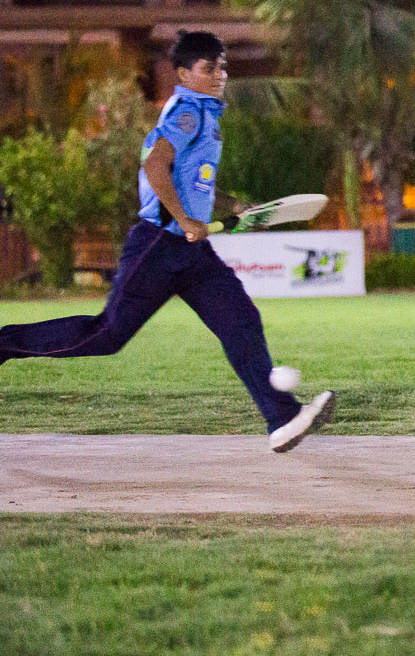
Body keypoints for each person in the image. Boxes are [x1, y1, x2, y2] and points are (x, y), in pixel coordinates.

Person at [0, 31, 336, 451]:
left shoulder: (207, 116)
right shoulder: (187, 113)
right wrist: (184, 219)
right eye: (209, 68)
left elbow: (195, 182)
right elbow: (155, 165)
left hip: (193, 254)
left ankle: (282, 418)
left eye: (222, 67)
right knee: (107, 335)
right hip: (157, 246)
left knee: (241, 321)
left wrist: (234, 206)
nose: (220, 75)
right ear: (183, 74)